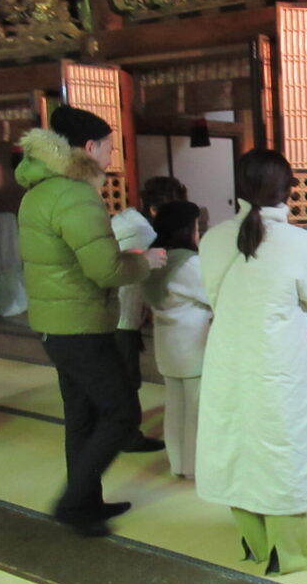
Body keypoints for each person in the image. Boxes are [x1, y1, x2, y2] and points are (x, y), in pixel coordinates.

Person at [16, 105, 167, 537]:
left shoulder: (38, 191)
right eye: (108, 147)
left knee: (81, 413)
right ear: (88, 147)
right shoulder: (73, 194)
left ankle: (85, 504)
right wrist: (144, 262)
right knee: (121, 413)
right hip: (80, 324)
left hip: (53, 322)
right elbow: (106, 270)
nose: (110, 156)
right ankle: (70, 502)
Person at [196, 148, 307, 575]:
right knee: (283, 447)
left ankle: (254, 541)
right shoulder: (299, 242)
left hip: (229, 356)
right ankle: (290, 552)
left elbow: (213, 293)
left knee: (236, 443)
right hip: (280, 362)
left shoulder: (213, 238)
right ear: (288, 190)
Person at [111, 176, 189, 454]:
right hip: (121, 315)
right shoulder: (142, 233)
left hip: (114, 312)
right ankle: (126, 435)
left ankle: (119, 432)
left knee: (120, 376)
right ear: (155, 209)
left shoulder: (125, 220)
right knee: (126, 377)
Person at [142, 201, 210, 479]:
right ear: (186, 229)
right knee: (196, 409)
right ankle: (196, 469)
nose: (199, 232)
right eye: (197, 226)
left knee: (175, 406)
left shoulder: (154, 258)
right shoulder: (188, 263)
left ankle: (178, 464)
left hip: (166, 346)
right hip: (192, 346)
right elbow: (214, 295)